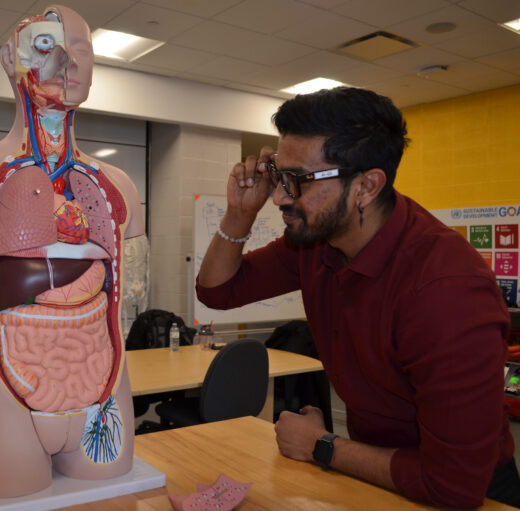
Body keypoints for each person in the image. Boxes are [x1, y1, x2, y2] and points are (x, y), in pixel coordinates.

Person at [196, 86, 519, 508]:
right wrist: (240, 213)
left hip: (467, 492)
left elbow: (454, 485)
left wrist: (321, 445)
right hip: (377, 474)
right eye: (279, 175)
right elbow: (218, 291)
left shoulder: (445, 290)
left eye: (298, 181)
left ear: (366, 186)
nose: (280, 197)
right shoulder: (317, 243)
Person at [0, 5, 144, 498]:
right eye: (46, 44)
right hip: (4, 393)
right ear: (10, 60)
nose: (68, 60)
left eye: (83, 50)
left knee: (108, 505)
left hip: (103, 386)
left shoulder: (120, 187)